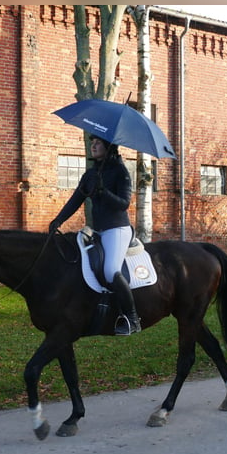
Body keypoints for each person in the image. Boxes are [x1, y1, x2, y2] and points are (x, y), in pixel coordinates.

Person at [49, 135, 141, 335]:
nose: (93, 145)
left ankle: (132, 318)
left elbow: (124, 204)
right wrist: (58, 220)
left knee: (110, 270)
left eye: (98, 143)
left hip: (116, 229)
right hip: (97, 230)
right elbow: (76, 199)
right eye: (92, 143)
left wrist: (103, 191)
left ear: (109, 147)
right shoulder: (90, 174)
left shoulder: (120, 172)